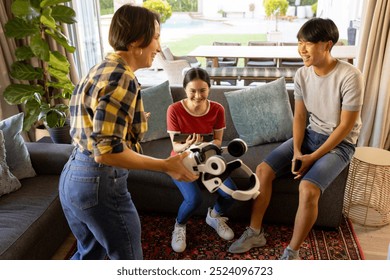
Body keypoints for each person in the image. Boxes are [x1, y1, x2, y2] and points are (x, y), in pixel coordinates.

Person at [58, 5, 197, 260]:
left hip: (73, 176)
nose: (158, 46)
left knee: (90, 257)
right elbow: (106, 153)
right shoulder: (122, 77)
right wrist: (166, 165)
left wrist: (128, 121)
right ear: (136, 41)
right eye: (155, 37)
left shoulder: (101, 67)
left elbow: (88, 122)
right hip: (98, 182)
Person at [228, 18, 364, 259]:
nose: (302, 48)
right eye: (300, 42)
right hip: (311, 135)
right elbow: (300, 115)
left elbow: (346, 126)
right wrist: (299, 150)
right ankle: (255, 232)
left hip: (340, 144)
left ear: (327, 45)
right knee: (262, 170)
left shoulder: (350, 76)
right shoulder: (302, 74)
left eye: (308, 43)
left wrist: (313, 157)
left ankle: (292, 252)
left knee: (308, 188)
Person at [166, 68, 237, 253]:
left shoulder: (217, 109)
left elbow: (218, 141)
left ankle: (214, 216)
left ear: (209, 89)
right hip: (182, 159)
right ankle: (180, 226)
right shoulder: (174, 110)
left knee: (231, 193)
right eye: (193, 91)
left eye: (202, 90)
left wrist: (206, 145)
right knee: (193, 199)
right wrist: (188, 145)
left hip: (209, 157)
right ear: (184, 89)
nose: (198, 96)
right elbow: (175, 147)